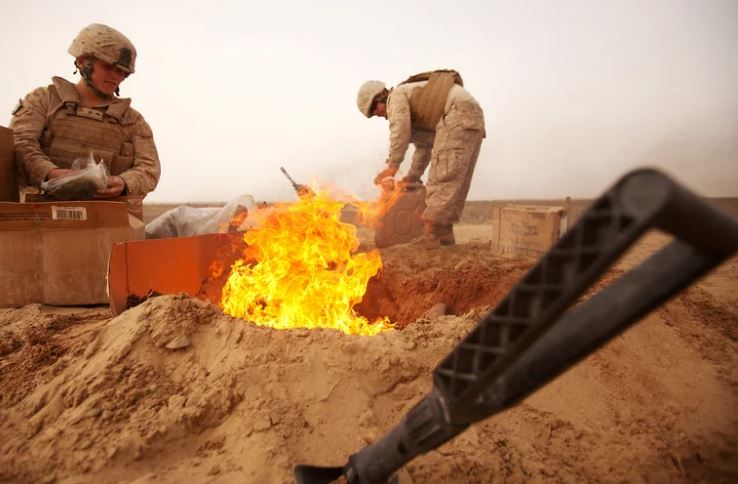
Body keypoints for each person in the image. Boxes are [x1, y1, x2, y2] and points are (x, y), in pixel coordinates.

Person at [10, 23, 160, 200]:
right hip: (39, 213)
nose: (115, 76)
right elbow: (19, 143)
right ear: (82, 61)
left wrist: (123, 182)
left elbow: (150, 168)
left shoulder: (132, 120)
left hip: (105, 218)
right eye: (108, 67)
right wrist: (51, 173)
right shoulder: (44, 100)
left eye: (121, 72)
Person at [356, 70, 485, 247]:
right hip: (472, 117)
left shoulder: (396, 97)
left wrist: (392, 166)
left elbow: (399, 130)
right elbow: (425, 147)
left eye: (374, 109)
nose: (377, 115)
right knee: (457, 176)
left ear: (381, 96)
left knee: (444, 175)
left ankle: (431, 232)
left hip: (457, 114)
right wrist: (412, 176)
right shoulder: (419, 110)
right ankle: (444, 233)